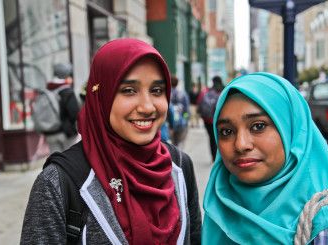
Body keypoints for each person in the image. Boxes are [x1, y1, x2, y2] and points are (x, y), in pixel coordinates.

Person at [21, 38, 201, 244]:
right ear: (101, 97)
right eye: (129, 90)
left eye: (157, 90)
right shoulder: (58, 183)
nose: (148, 106)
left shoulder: (179, 166)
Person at [202, 72, 328, 244]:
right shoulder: (219, 206)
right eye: (227, 131)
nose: (241, 145)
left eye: (258, 126)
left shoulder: (325, 225)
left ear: (292, 131)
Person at [44, 63, 80, 153]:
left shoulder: (47, 91)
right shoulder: (67, 91)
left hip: (50, 132)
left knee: (55, 159)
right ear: (65, 75)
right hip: (66, 133)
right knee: (70, 158)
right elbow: (74, 113)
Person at [197, 75, 224, 162]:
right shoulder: (223, 90)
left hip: (207, 120)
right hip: (219, 120)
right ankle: (219, 157)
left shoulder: (206, 91)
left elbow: (199, 103)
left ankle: (213, 157)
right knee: (220, 138)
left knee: (211, 138)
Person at [170, 75, 190, 148]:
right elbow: (186, 110)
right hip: (181, 122)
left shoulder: (167, 93)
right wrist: (185, 119)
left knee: (170, 144)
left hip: (170, 124)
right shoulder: (182, 94)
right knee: (180, 143)